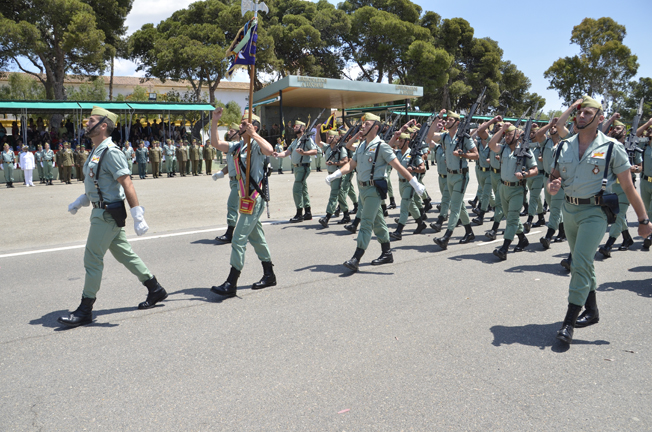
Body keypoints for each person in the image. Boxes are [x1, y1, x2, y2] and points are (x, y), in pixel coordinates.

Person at [546, 96, 652, 345]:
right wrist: (552, 186)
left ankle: (568, 322)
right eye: (579, 113)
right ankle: (592, 311)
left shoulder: (612, 147)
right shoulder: (563, 146)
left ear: (600, 118)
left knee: (579, 263)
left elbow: (628, 187)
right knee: (583, 263)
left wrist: (643, 219)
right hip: (569, 211)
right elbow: (553, 177)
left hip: (595, 213)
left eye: (587, 113)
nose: (581, 116)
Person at [58, 106, 167, 328]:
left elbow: (127, 183)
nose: (87, 123)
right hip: (102, 209)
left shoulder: (111, 152)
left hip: (106, 214)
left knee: (92, 258)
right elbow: (99, 184)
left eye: (91, 120)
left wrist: (138, 215)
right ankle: (155, 288)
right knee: (125, 254)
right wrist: (81, 201)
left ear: (103, 126)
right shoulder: (97, 150)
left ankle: (85, 309)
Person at [324, 113, 426, 272]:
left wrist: (415, 183)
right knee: (378, 222)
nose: (362, 126)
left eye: (366, 124)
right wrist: (335, 174)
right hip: (362, 189)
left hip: (374, 190)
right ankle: (387, 253)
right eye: (363, 123)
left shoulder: (382, 146)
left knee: (365, 222)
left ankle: (356, 258)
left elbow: (398, 166)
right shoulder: (361, 145)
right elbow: (351, 164)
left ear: (375, 127)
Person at [209, 109, 276, 297]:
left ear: (254, 127)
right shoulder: (238, 146)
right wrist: (214, 121)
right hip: (245, 199)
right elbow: (216, 143)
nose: (240, 126)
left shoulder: (256, 145)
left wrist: (254, 134)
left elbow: (270, 150)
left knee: (238, 239)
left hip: (255, 198)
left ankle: (231, 283)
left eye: (244, 123)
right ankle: (269, 274)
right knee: (257, 238)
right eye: (241, 123)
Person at [486, 120, 538, 260]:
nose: (507, 137)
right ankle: (522, 239)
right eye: (506, 135)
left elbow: (535, 169)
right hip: (503, 188)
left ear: (517, 135)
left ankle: (504, 248)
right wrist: (502, 128)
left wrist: (525, 174)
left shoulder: (525, 150)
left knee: (512, 219)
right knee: (510, 217)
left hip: (517, 190)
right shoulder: (503, 149)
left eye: (509, 134)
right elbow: (491, 144)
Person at [427, 110, 479, 249]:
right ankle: (469, 232)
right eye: (447, 119)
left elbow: (476, 155)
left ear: (457, 123)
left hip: (461, 176)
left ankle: (446, 237)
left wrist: (463, 155)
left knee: (454, 207)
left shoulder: (464, 138)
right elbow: (429, 136)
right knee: (459, 205)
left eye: (450, 120)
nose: (447, 121)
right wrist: (437, 118)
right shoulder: (444, 136)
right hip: (449, 175)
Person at [597, 114, 642, 256]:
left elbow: (641, 167)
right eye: (613, 128)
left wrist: (635, 168)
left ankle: (608, 245)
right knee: (617, 216)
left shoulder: (632, 147)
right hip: (611, 188)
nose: (614, 130)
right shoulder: (609, 146)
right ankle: (627, 238)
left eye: (618, 128)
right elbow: (598, 134)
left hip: (625, 188)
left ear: (624, 131)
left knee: (619, 215)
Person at [274, 120, 318, 222]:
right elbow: (287, 152)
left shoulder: (307, 140)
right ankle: (308, 212)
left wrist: (304, 153)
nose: (294, 128)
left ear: (303, 128)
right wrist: (278, 154)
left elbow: (315, 151)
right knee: (303, 189)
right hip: (297, 168)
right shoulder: (295, 141)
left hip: (303, 167)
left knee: (296, 190)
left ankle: (299, 214)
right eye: (294, 126)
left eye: (296, 126)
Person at [388, 132, 427, 240]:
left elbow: (423, 168)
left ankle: (398, 231)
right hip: (401, 183)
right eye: (399, 141)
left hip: (410, 183)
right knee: (411, 205)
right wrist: (395, 136)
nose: (399, 143)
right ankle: (421, 223)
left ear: (407, 142)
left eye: (401, 141)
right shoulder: (397, 153)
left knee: (404, 206)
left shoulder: (413, 153)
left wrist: (414, 169)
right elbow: (387, 148)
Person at [315, 129, 349, 228]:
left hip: (337, 174)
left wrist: (334, 163)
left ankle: (327, 217)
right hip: (331, 175)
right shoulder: (327, 147)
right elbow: (318, 142)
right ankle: (346, 215)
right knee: (339, 195)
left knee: (333, 195)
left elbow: (345, 161)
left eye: (331, 137)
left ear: (337, 138)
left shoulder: (341, 149)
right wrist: (318, 131)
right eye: (328, 137)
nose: (329, 138)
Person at [214, 127, 241, 244]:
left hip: (239, 182)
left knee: (232, 205)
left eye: (232, 131)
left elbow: (216, 143)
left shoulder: (238, 146)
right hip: (233, 181)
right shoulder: (232, 147)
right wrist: (221, 173)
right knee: (245, 209)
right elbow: (230, 165)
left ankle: (229, 234)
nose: (229, 133)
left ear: (238, 133)